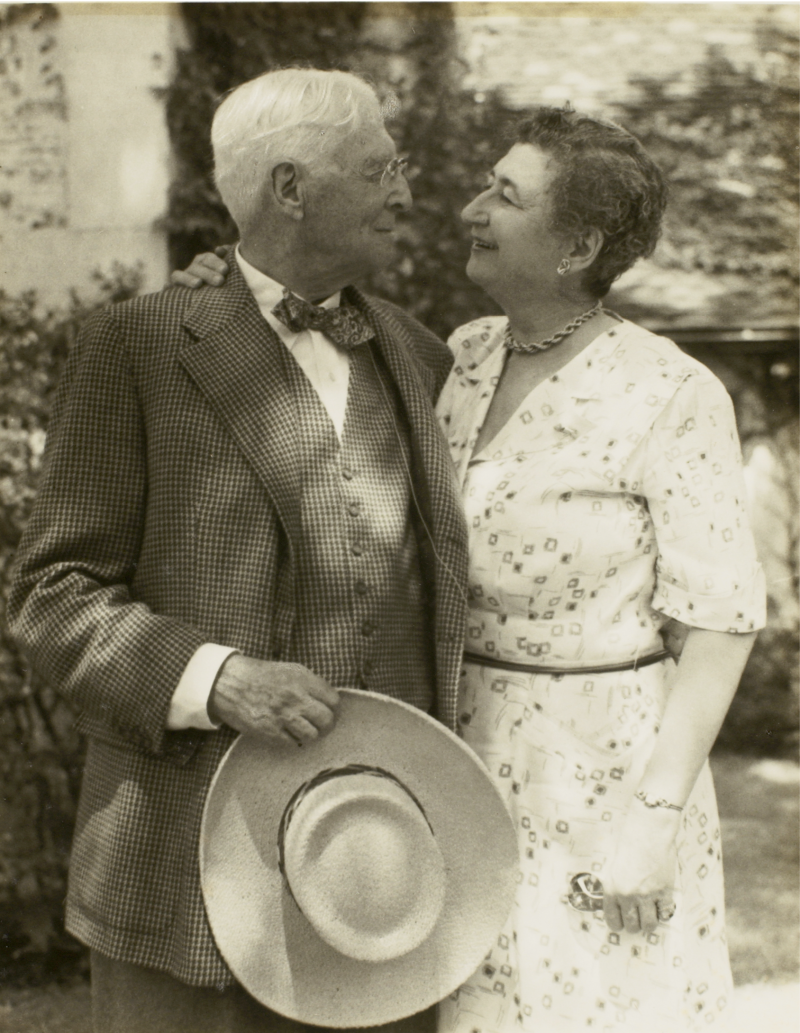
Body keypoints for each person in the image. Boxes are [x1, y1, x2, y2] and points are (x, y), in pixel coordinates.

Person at [180, 107, 765, 1032]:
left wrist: (652, 820)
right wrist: (225, 287)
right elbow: (301, 338)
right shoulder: (459, 353)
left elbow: (722, 624)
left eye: (505, 195)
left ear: (576, 244)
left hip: (606, 775)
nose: (468, 208)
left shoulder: (671, 393)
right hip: (453, 758)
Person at [9, 68, 469, 1033]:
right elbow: (53, 596)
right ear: (291, 187)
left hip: (380, 871)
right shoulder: (135, 346)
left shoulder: (423, 355)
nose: (407, 194)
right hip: (185, 871)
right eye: (382, 168)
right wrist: (215, 679)